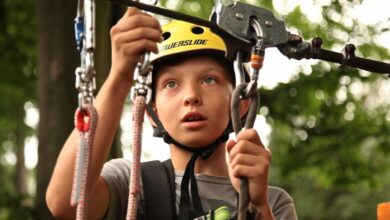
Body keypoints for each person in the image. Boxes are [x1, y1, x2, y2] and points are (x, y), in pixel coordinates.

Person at [46, 7, 298, 220]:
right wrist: (120, 76)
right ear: (151, 112)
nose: (191, 96)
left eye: (209, 80)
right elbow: (65, 202)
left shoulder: (274, 202)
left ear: (241, 103)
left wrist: (258, 207)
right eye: (171, 84)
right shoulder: (133, 184)